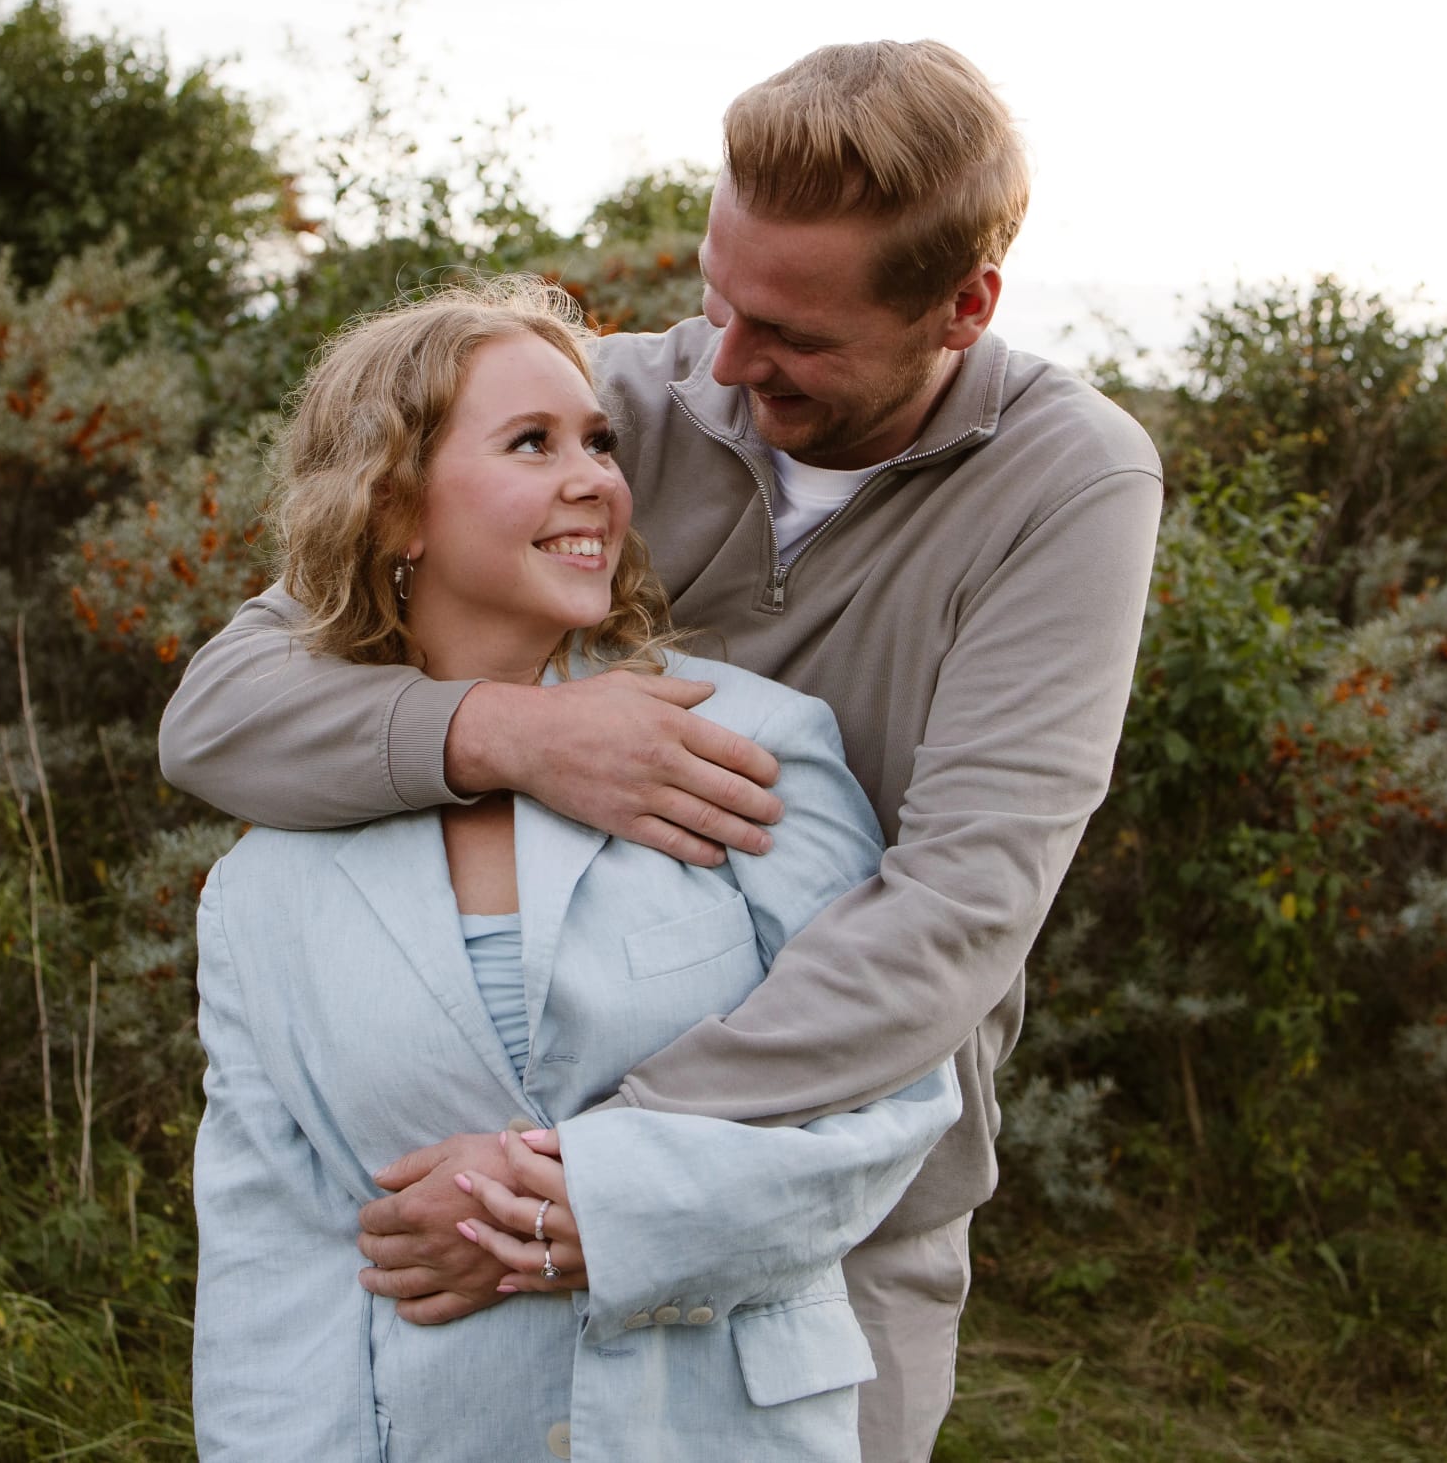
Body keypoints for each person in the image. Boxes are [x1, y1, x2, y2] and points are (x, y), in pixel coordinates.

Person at [164, 40, 1163, 1462]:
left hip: (823, 1167)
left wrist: (592, 1173)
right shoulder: (614, 405)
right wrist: (522, 732)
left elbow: (960, 910)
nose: (725, 364)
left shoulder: (1070, 479)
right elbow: (225, 708)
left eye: (797, 336)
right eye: (717, 297)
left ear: (965, 306)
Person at [189, 279, 960, 1462]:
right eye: (531, 443)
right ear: (396, 508)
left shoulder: (747, 747)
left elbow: (892, 1101)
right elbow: (273, 1264)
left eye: (598, 441)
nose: (595, 476)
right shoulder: (264, 884)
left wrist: (601, 1206)